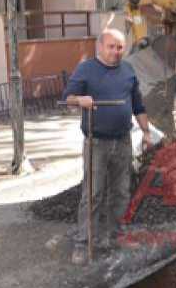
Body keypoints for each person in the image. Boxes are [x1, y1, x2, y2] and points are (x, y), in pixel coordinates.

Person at [63, 29, 154, 264]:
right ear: (100, 47)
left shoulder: (128, 70)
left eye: (120, 47)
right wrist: (79, 100)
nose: (116, 51)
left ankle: (112, 237)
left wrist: (145, 132)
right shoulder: (86, 69)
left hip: (123, 140)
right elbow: (68, 98)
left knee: (121, 192)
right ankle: (84, 243)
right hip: (96, 142)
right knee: (92, 194)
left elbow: (138, 105)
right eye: (111, 47)